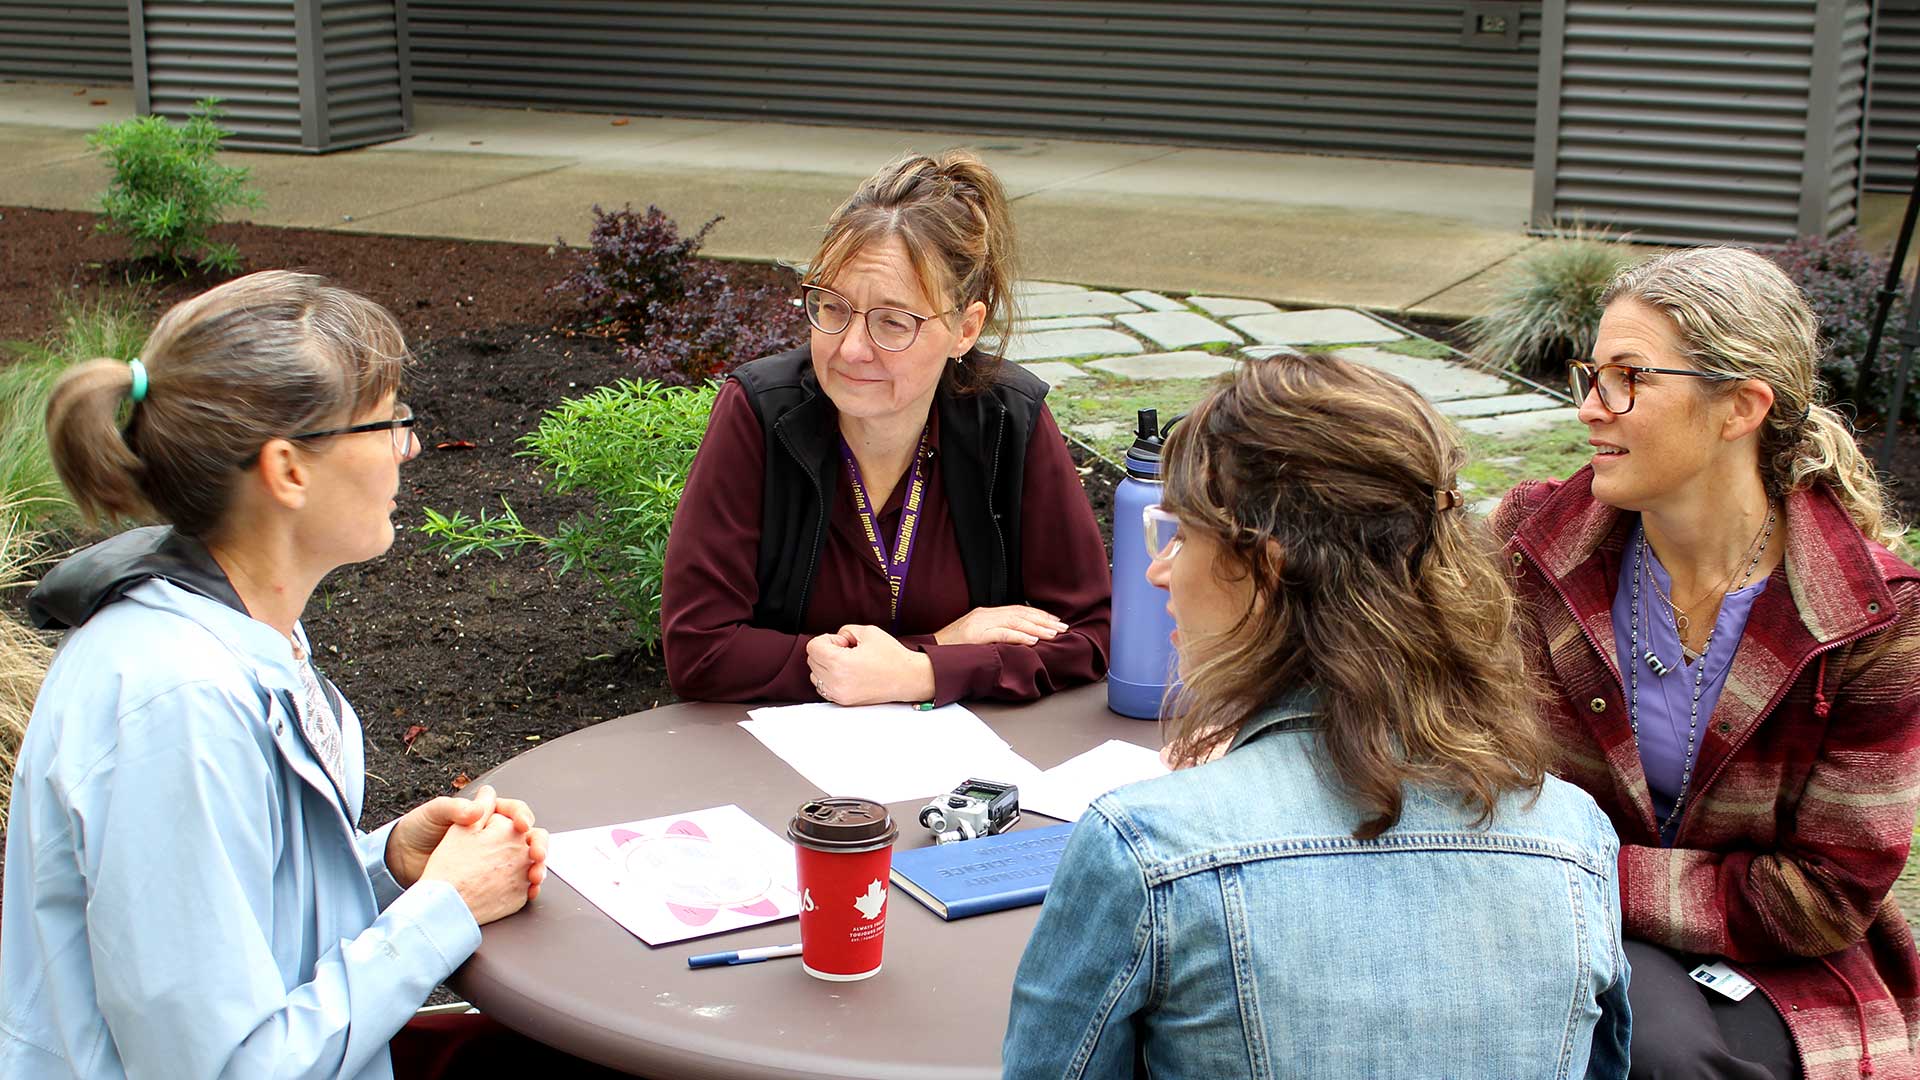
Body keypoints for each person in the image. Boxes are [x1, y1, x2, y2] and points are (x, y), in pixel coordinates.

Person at [0, 271, 584, 1079]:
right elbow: (225, 1067)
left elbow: (252, 919)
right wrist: (440, 909)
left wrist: (383, 867)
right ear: (287, 471)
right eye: (388, 422)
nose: (409, 446)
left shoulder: (238, 628)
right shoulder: (176, 706)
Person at [1003, 354, 1630, 1078]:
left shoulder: (1146, 847)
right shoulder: (1574, 835)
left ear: (1266, 567)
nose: (1159, 569)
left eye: (1180, 533)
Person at [1492, 246, 1920, 1080]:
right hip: (1543, 926)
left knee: (1658, 1054)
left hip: (1782, 969)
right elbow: (1446, 736)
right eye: (1591, 373)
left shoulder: (1872, 620)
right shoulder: (1533, 545)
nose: (1589, 408)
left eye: (1628, 378)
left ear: (1741, 408)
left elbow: (1826, 896)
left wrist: (1574, 869)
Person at [661, 150, 1110, 705]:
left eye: (892, 322)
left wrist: (919, 672)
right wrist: (935, 650)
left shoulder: (1007, 420)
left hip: (966, 765)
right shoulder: (760, 414)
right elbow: (699, 651)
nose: (850, 348)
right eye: (832, 308)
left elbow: (1091, 631)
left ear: (965, 329)